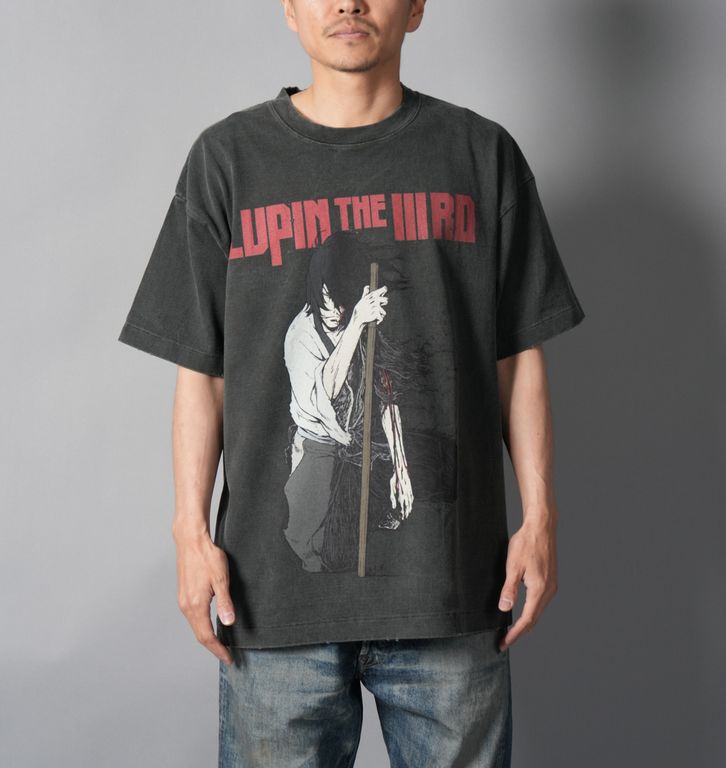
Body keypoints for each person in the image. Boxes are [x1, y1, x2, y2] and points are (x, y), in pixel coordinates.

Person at [117, 0, 586, 765]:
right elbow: (201, 374)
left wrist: (540, 517)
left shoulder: (480, 154)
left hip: (449, 592)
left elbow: (516, 359)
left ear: (417, 8)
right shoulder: (229, 160)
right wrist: (189, 533)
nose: (349, 3)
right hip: (274, 597)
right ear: (290, 9)